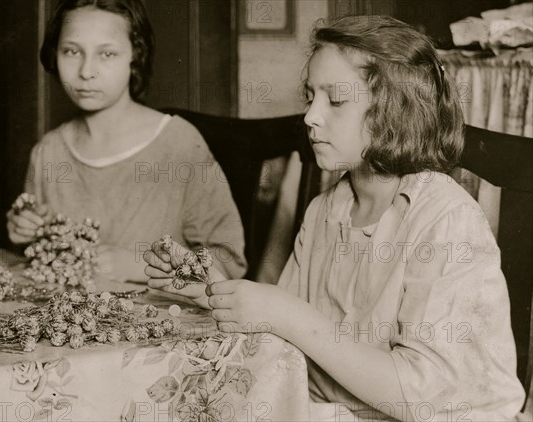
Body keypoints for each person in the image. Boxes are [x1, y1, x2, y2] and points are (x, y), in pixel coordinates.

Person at [143, 15, 525, 421]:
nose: (310, 116)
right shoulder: (326, 209)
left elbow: (425, 397)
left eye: (336, 100)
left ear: (395, 112)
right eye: (310, 97)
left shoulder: (445, 218)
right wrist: (214, 293)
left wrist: (289, 315)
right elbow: (283, 337)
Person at [6, 0, 247, 282]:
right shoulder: (48, 152)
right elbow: (42, 263)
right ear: (54, 54)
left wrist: (140, 266)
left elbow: (230, 262)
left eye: (107, 54)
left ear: (135, 54)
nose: (86, 71)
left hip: (162, 319)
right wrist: (24, 229)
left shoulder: (180, 144)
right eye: (71, 51)